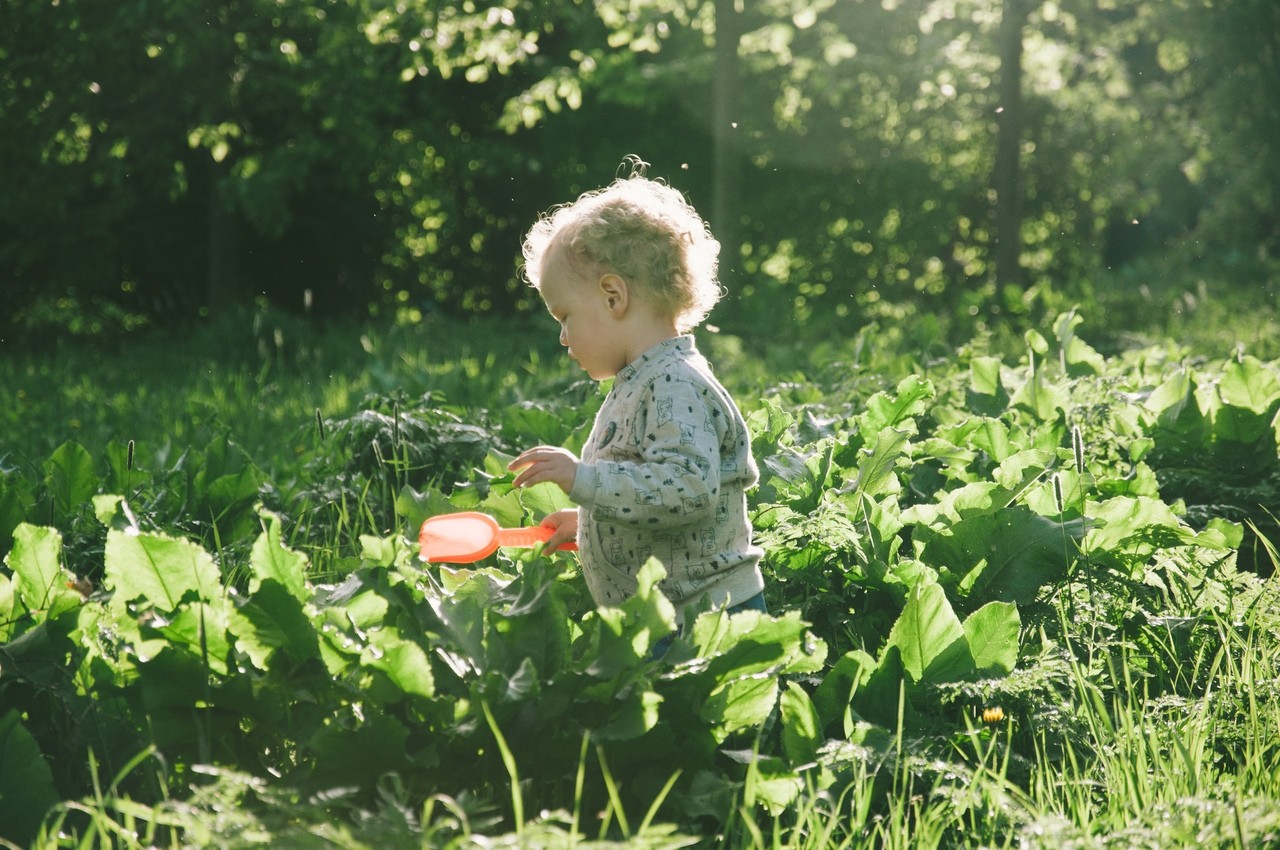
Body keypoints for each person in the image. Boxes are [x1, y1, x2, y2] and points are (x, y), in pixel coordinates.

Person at [508, 160, 767, 640]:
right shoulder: (645, 380)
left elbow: (685, 489)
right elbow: (646, 485)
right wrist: (589, 521)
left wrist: (584, 481)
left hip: (705, 622)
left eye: (564, 316)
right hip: (668, 618)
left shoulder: (675, 385)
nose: (563, 338)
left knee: (714, 718)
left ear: (612, 296)